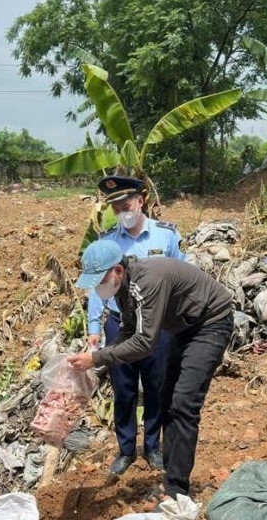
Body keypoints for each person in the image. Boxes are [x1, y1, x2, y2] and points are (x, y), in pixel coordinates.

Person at [68, 237, 233, 500]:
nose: (98, 288)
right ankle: (171, 470)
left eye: (100, 281)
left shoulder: (147, 281)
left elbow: (145, 343)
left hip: (210, 323)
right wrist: (97, 356)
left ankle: (176, 489)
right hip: (183, 327)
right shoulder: (124, 287)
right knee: (166, 398)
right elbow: (128, 329)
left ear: (117, 271)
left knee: (184, 403)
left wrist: (98, 359)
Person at [87, 175, 185, 477]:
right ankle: (126, 449)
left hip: (159, 327)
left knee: (157, 387)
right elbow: (96, 287)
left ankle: (153, 446)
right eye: (115, 207)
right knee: (124, 390)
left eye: (125, 204)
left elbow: (182, 276)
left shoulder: (166, 236)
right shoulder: (107, 241)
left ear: (140, 201)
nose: (121, 211)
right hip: (121, 325)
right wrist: (94, 327)